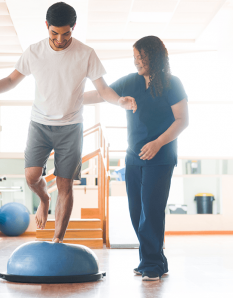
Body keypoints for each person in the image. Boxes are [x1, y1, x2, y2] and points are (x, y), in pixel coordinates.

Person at [0, 2, 137, 243]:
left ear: (73, 28)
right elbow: (10, 80)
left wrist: (119, 101)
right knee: (31, 176)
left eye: (66, 33)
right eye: (54, 33)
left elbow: (103, 89)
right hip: (40, 124)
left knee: (65, 184)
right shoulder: (34, 52)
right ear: (46, 26)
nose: (60, 39)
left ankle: (57, 240)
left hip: (71, 127)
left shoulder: (86, 54)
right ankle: (44, 199)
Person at [83, 36, 189, 281]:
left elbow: (182, 120)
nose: (137, 62)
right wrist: (69, 97)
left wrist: (158, 142)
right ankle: (156, 261)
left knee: (151, 211)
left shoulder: (173, 84)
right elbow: (102, 94)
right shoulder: (131, 81)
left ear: (155, 57)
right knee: (136, 212)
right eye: (135, 57)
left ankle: (151, 264)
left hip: (160, 156)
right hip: (134, 157)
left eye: (141, 58)